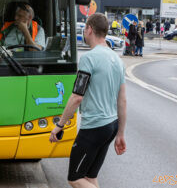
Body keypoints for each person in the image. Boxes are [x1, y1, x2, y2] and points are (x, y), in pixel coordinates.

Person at [49, 13, 127, 188]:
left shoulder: (88, 58)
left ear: (90, 29)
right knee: (90, 177)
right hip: (111, 126)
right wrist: (120, 134)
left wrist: (60, 125)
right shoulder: (117, 60)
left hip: (94, 127)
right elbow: (122, 101)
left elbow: (77, 97)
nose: (84, 32)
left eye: (84, 29)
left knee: (75, 178)